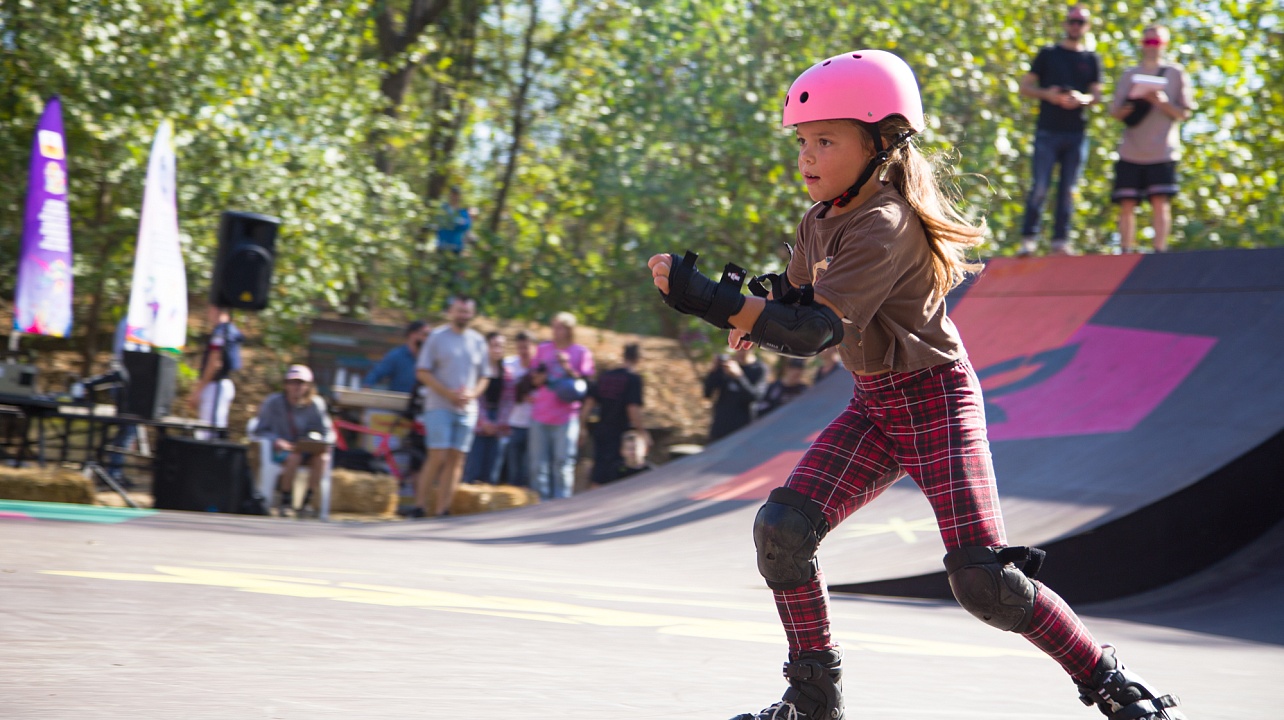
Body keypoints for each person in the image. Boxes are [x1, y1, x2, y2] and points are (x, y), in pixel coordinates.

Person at [648, 50, 1184, 720]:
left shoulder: (887, 222)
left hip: (936, 401)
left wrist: (710, 301)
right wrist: (747, 312)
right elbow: (797, 296)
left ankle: (1113, 685)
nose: (807, 157)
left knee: (984, 580)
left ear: (880, 142)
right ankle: (813, 698)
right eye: (802, 143)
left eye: (825, 141)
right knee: (783, 530)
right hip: (876, 406)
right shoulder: (821, 219)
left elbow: (815, 329)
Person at [1016, 5, 1103, 257]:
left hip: (1076, 133)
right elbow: (1026, 87)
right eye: (1072, 21)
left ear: (1086, 27)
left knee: (1068, 189)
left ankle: (1060, 241)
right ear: (1065, 24)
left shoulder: (1091, 59)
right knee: (1040, 185)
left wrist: (1080, 99)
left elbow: (1096, 96)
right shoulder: (1048, 54)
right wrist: (1050, 95)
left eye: (1080, 22)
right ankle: (1029, 239)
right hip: (1048, 131)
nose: (1075, 26)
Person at [1109, 24, 1195, 253]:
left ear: (1164, 44)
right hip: (1131, 150)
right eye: (1148, 42)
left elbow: (1185, 113)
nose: (1151, 47)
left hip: (1163, 151)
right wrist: (1132, 105)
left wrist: (1162, 102)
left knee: (1160, 201)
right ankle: (1125, 250)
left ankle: (1159, 251)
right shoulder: (1129, 74)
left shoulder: (1176, 73)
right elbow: (1115, 112)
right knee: (1126, 203)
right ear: (1141, 44)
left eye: (1156, 42)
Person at [409, 296, 491, 518]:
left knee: (457, 458)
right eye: (459, 311)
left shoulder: (478, 341)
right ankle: (419, 505)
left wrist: (472, 394)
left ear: (472, 314)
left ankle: (443, 509)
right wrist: (448, 393)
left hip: (467, 409)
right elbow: (422, 371)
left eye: (467, 312)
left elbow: (485, 376)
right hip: (439, 405)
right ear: (450, 312)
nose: (463, 315)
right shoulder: (436, 337)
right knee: (438, 455)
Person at [252, 365, 335, 517]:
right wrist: (276, 440)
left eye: (301, 383)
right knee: (293, 457)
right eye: (293, 382)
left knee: (323, 458)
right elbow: (259, 429)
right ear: (286, 385)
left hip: (307, 451)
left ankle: (307, 502)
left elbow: (328, 432)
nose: (296, 387)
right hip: (281, 451)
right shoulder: (273, 403)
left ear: (308, 386)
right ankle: (286, 501)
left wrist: (321, 442)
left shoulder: (316, 405)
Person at [528, 312, 594, 500]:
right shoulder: (543, 349)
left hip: (566, 417)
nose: (555, 331)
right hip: (540, 414)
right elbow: (534, 378)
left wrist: (567, 367)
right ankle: (539, 503)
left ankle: (562, 503)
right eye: (554, 326)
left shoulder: (580, 353)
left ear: (569, 330)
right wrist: (538, 378)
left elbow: (586, 385)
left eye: (560, 327)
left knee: (563, 464)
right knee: (537, 464)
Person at [581, 343, 646, 487]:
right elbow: (632, 408)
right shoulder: (633, 379)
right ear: (638, 358)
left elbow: (589, 402)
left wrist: (582, 426)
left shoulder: (606, 376)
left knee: (599, 471)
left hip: (601, 431)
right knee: (617, 473)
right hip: (621, 434)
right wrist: (642, 432)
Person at [462, 332, 513, 485]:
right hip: (478, 423)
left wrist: (499, 423)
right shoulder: (476, 371)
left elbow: (508, 401)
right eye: (494, 346)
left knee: (492, 472)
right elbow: (475, 397)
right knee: (473, 468)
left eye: (501, 346)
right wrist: (483, 422)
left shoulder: (508, 374)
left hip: (498, 424)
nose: (498, 350)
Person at [188, 304, 243, 440]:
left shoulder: (221, 331)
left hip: (215, 387)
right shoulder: (231, 329)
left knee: (208, 433)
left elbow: (215, 363)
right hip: (222, 386)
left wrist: (198, 391)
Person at [703, 347, 767, 442]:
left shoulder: (759, 369)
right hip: (720, 426)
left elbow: (755, 397)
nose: (740, 352)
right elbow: (707, 393)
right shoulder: (727, 365)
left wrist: (739, 377)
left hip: (742, 428)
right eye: (739, 348)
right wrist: (714, 371)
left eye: (744, 348)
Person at [502, 331, 536, 486]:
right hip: (514, 423)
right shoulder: (508, 365)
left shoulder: (541, 368)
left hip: (536, 425)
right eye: (520, 348)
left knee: (530, 469)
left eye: (526, 347)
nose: (523, 352)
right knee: (513, 469)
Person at [364, 320, 429, 393]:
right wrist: (367, 387)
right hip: (400, 401)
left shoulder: (429, 357)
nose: (427, 339)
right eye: (424, 334)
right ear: (412, 334)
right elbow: (377, 373)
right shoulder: (397, 355)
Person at [436, 186, 472, 255]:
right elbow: (439, 222)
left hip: (456, 248)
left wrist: (457, 222)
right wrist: (456, 222)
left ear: (459, 197)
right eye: (453, 194)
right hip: (442, 245)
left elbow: (466, 226)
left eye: (456, 195)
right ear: (449, 195)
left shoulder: (463, 212)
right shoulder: (442, 209)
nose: (454, 197)